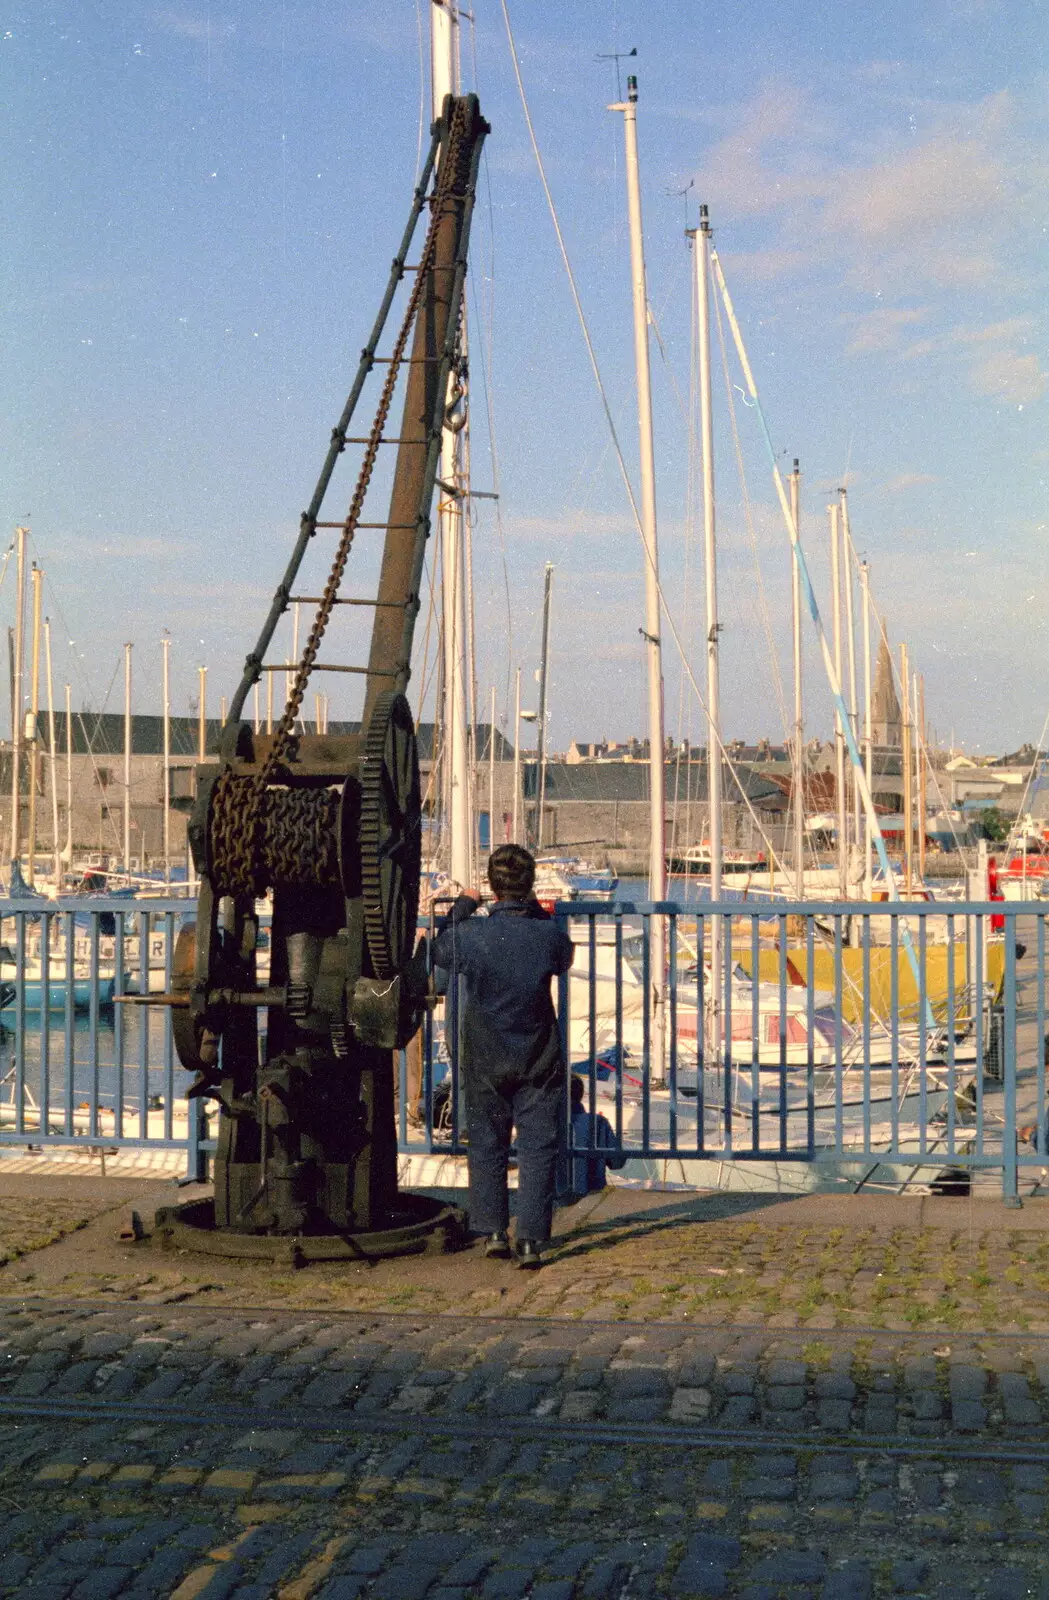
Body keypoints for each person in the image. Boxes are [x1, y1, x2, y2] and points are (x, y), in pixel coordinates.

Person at [431, 843, 574, 1269]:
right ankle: (530, 1239)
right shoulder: (548, 936)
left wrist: (462, 906)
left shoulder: (471, 936)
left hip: (485, 1051)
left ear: (492, 888)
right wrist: (537, 912)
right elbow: (562, 956)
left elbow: (438, 949)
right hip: (537, 1050)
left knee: (488, 1143)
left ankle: (493, 1230)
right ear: (530, 886)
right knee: (537, 1146)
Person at [557, 1075, 627, 1204]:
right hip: (591, 1196)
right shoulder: (598, 1122)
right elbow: (617, 1162)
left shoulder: (543, 1124)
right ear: (581, 1094)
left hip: (552, 1195)